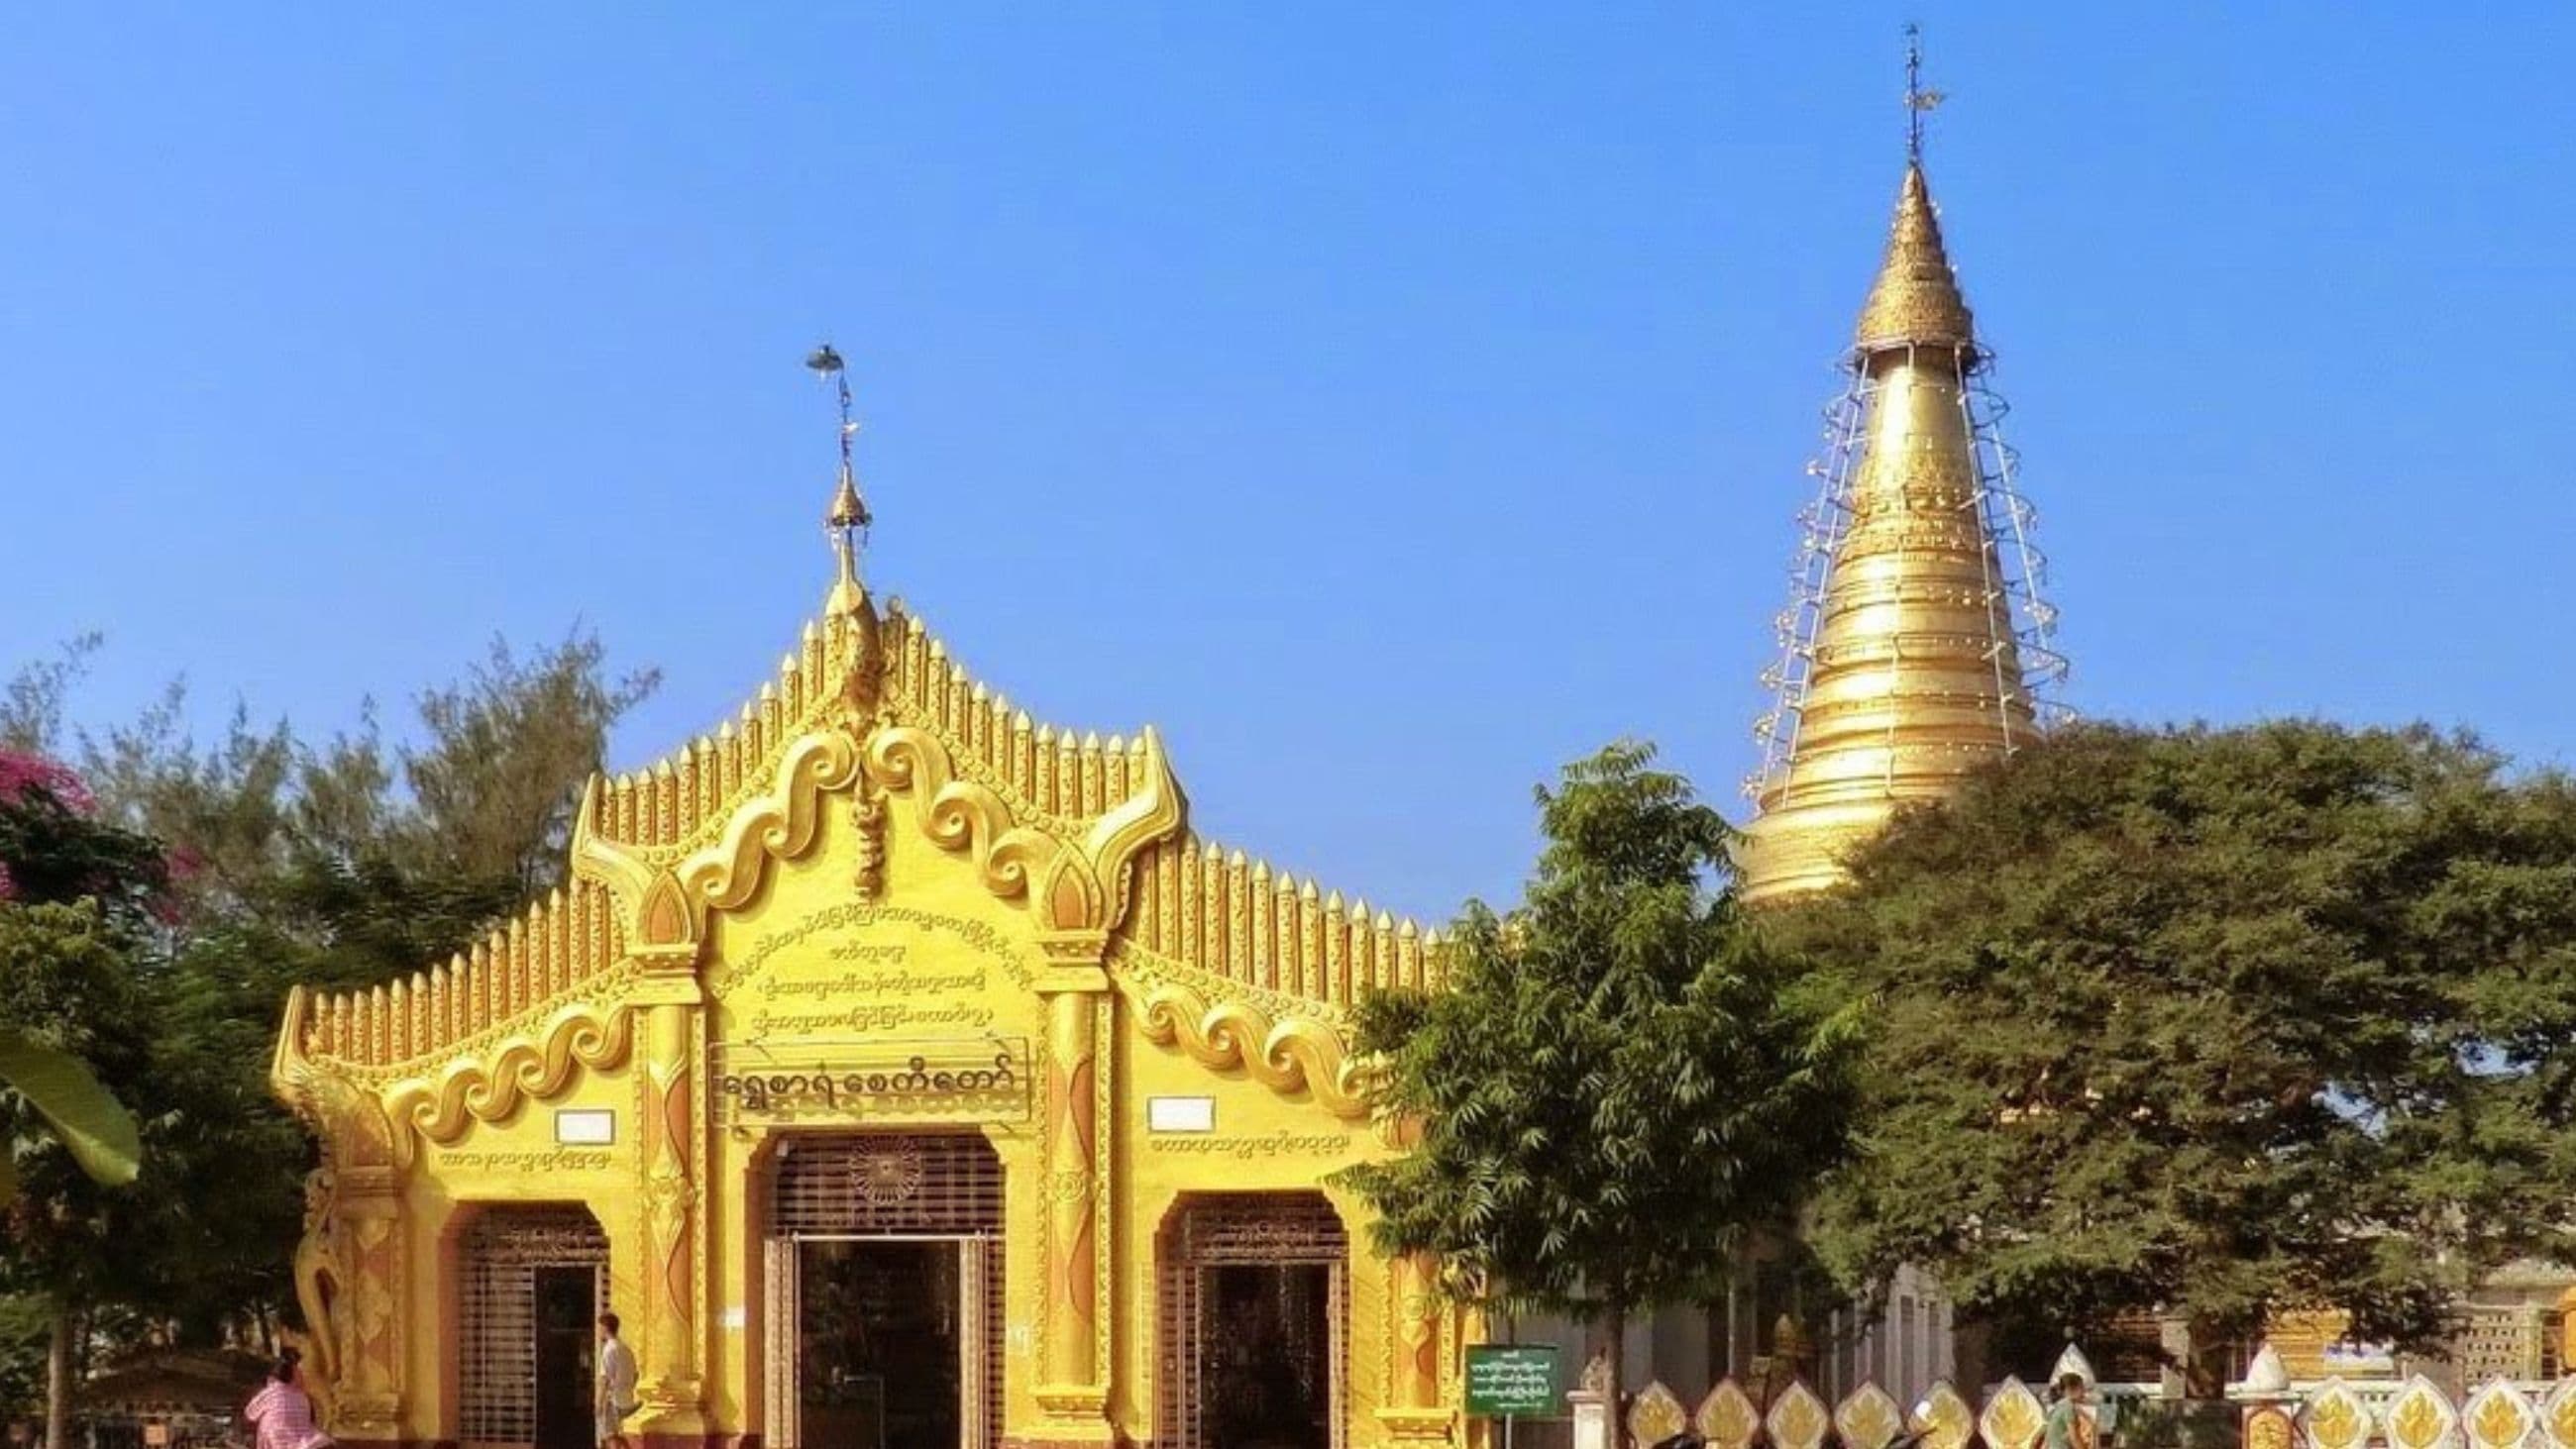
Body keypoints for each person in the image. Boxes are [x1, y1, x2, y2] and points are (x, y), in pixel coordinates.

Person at [244, 1349, 332, 1449]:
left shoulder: (271, 1392)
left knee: (267, 1424)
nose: (303, 1377)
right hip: (299, 1439)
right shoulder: (302, 1396)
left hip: (275, 1438)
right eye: (300, 1374)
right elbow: (308, 1420)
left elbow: (250, 1413)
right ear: (293, 1377)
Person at [597, 1312, 639, 1449]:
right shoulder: (626, 1350)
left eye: (600, 1327)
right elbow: (635, 1375)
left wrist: (599, 1402)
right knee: (621, 1437)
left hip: (613, 1400)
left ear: (604, 1328)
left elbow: (605, 1378)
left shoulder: (609, 1350)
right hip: (627, 1398)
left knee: (611, 1437)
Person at [2043, 1373, 2095, 1449]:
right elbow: (2074, 1438)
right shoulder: (2068, 1407)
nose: (2084, 1391)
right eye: (2081, 1388)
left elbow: (2047, 1439)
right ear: (2071, 1389)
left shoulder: (2058, 1406)